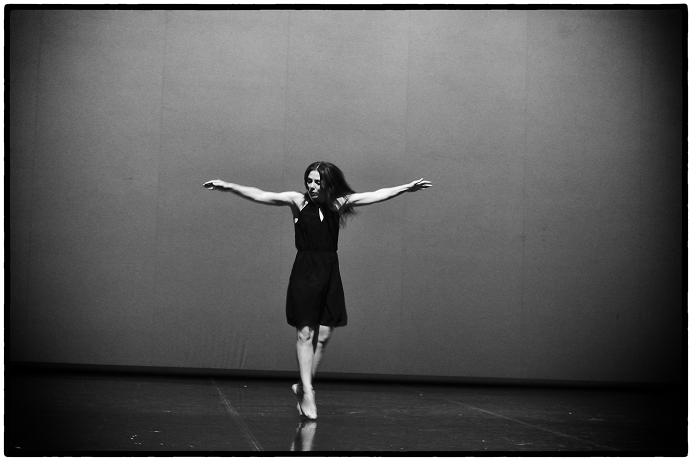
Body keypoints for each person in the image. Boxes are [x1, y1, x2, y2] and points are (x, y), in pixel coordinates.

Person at [204, 162, 432, 419]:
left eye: (317, 182)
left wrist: (405, 188)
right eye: (309, 181)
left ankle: (302, 386)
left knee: (323, 334)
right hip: (305, 271)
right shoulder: (297, 201)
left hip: (329, 271)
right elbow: (261, 195)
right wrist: (229, 186)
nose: (312, 186)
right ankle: (309, 393)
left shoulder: (338, 203)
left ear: (327, 183)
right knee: (305, 333)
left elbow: (376, 195)